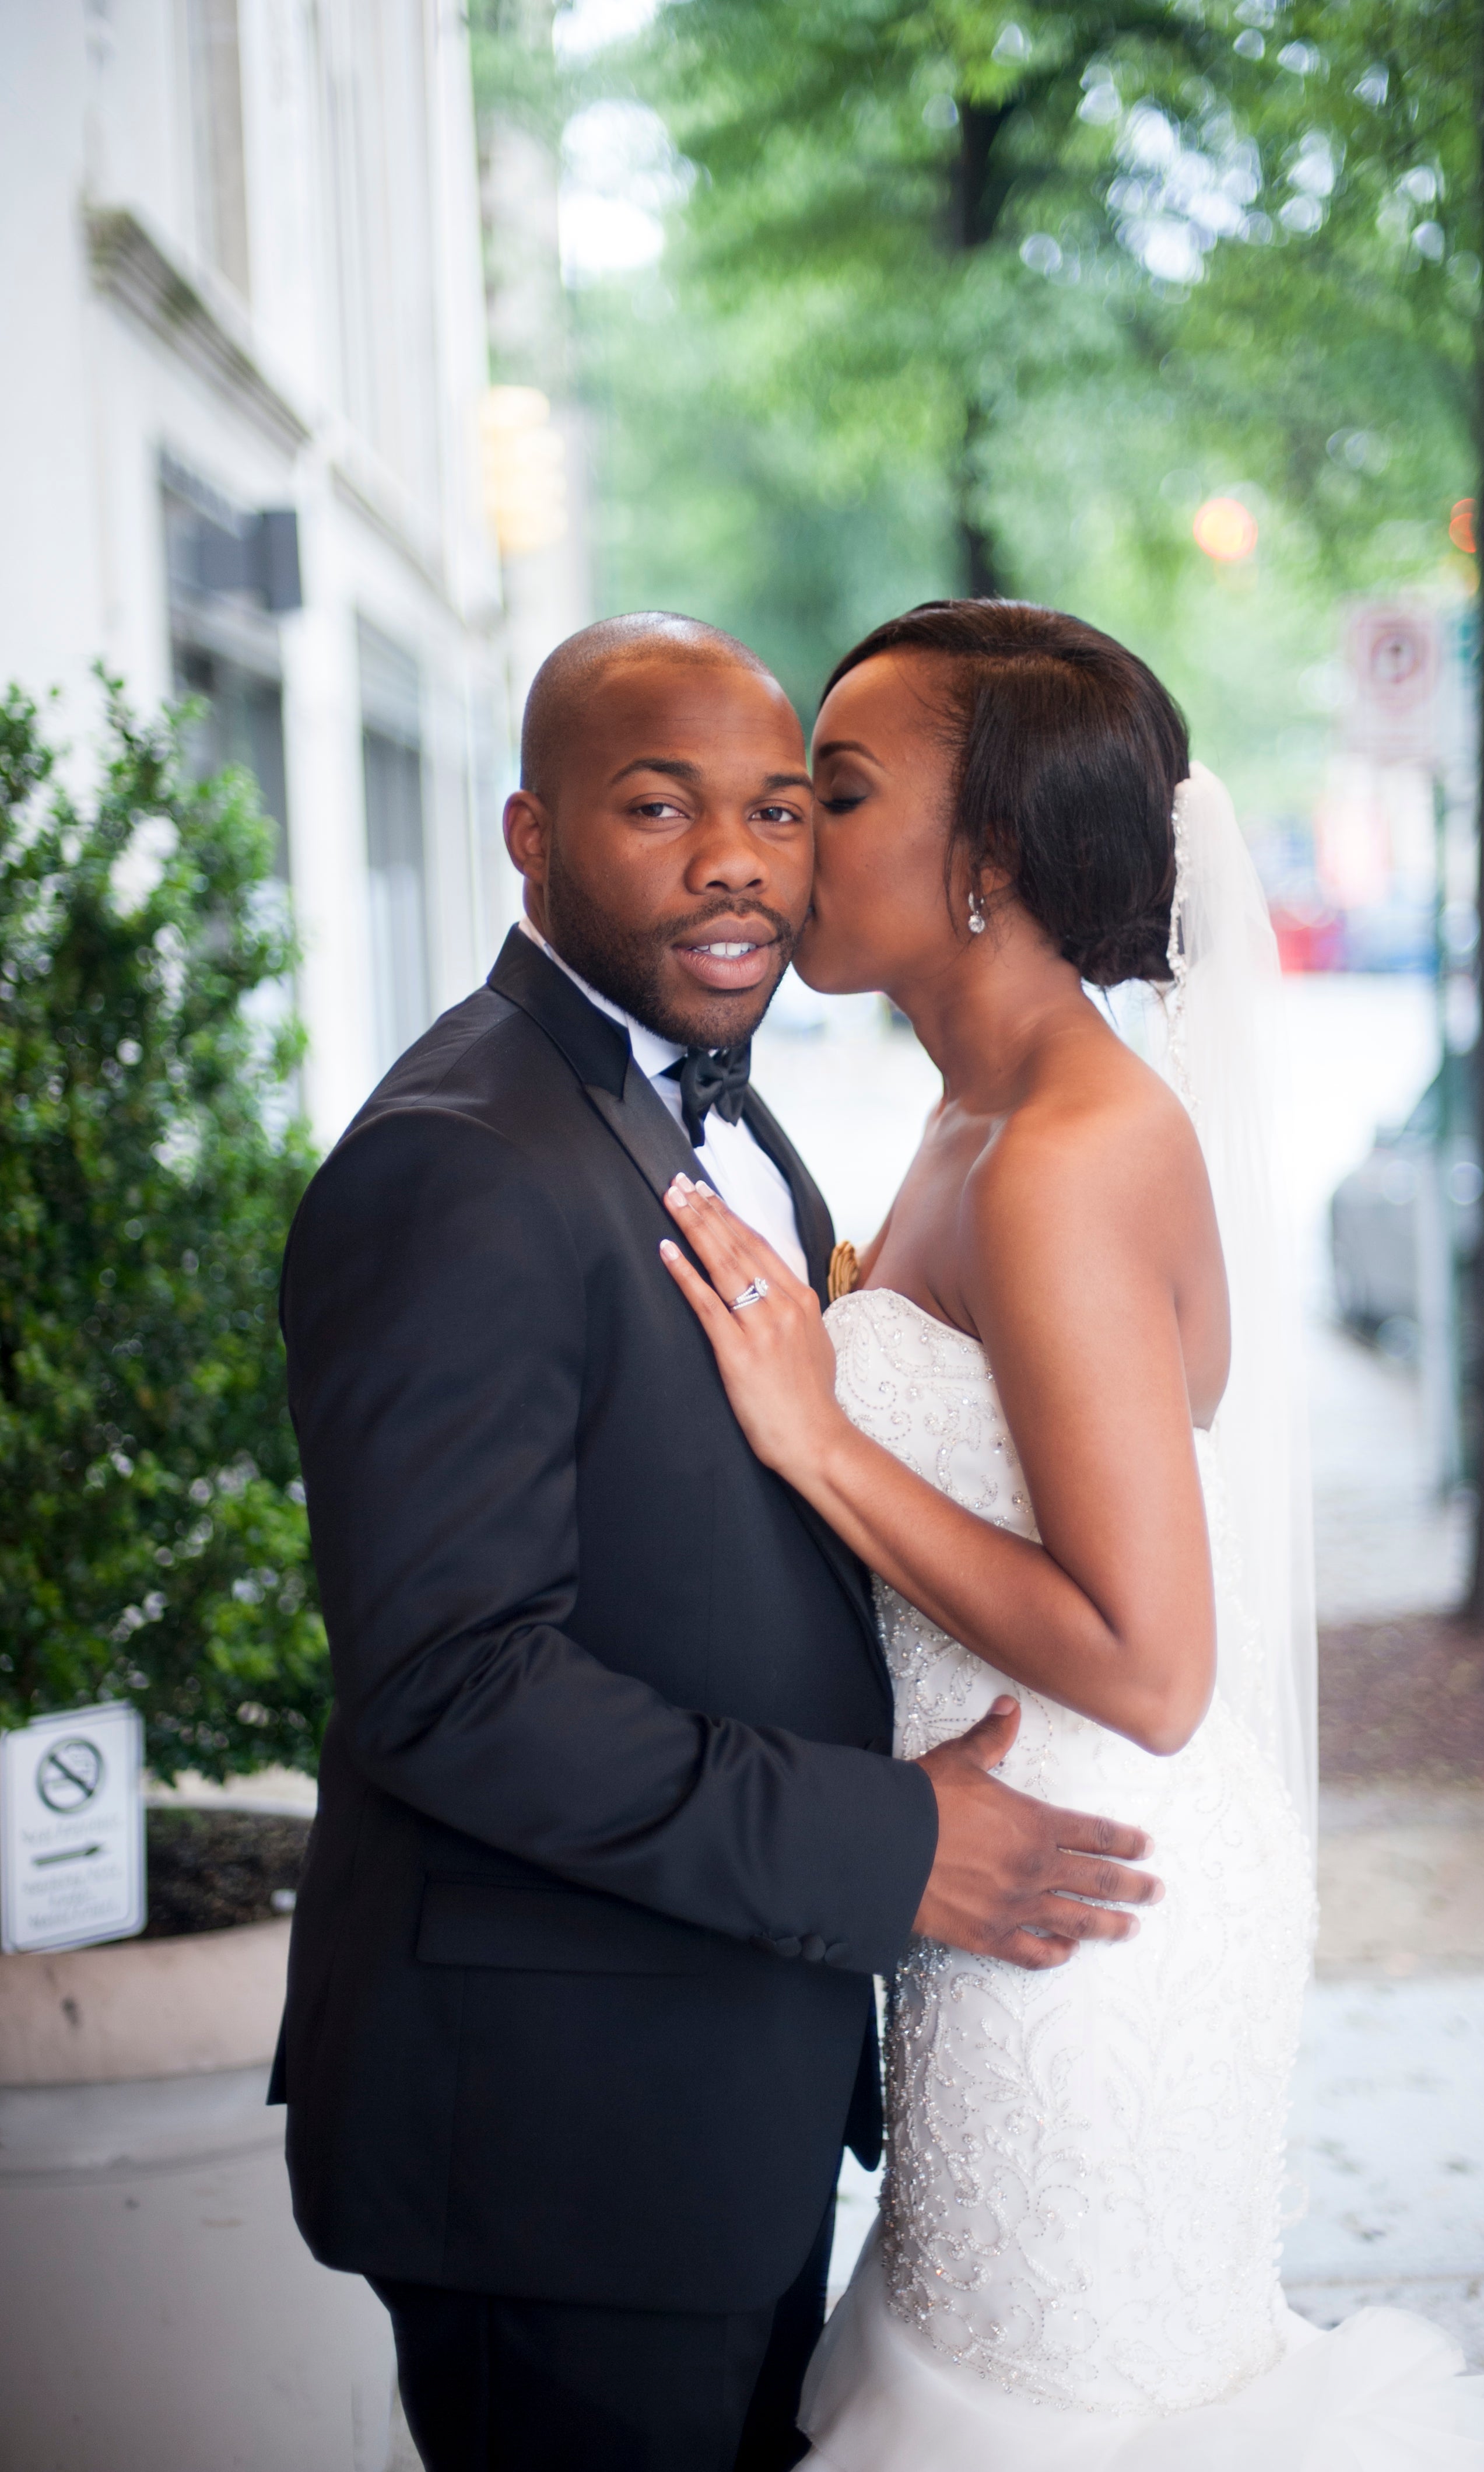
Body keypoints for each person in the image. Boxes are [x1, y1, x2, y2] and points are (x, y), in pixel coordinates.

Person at [272, 612, 1162, 2472]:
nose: (738, 864)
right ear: (528, 835)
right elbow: (450, 1686)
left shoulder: (712, 1108)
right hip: (558, 2131)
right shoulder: (462, 1159)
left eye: (779, 809)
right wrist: (891, 1841)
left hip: (712, 2080)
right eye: (659, 810)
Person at [661, 598, 1484, 2469]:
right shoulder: (967, 1113)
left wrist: (819, 1437)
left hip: (1089, 1896)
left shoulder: (1064, 1152)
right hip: (995, 1880)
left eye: (833, 790)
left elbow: (1153, 1668)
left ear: (985, 858)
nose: (786, 838)